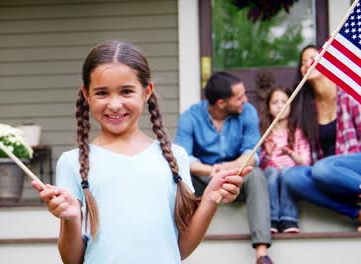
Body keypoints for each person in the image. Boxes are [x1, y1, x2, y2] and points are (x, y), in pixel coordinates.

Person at [31, 40, 251, 264]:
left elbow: (179, 250)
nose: (115, 104)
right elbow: (71, 259)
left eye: (126, 91)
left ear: (146, 92)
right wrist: (71, 219)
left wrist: (210, 200)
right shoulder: (71, 162)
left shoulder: (175, 158)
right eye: (102, 93)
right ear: (87, 96)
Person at [175, 72, 273, 264]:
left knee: (257, 175)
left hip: (238, 174)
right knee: (178, 176)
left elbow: (251, 155)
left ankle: (262, 254)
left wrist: (226, 168)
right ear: (221, 103)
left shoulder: (248, 112)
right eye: (239, 97)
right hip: (203, 179)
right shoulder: (190, 116)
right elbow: (183, 158)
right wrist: (210, 171)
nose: (245, 99)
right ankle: (178, 243)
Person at [282, 45, 361, 232]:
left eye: (313, 58)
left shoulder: (348, 95)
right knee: (291, 176)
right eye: (303, 62)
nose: (306, 64)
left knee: (323, 168)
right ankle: (357, 213)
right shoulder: (307, 109)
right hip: (328, 174)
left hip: (354, 165)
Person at [259, 87, 311, 234]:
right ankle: (272, 219)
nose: (279, 106)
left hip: (291, 174)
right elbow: (258, 162)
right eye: (275, 102)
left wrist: (290, 153)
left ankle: (289, 218)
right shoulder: (264, 132)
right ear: (268, 107)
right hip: (270, 177)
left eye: (284, 102)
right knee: (272, 172)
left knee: (287, 173)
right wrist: (267, 153)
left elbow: (305, 163)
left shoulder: (297, 133)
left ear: (290, 107)